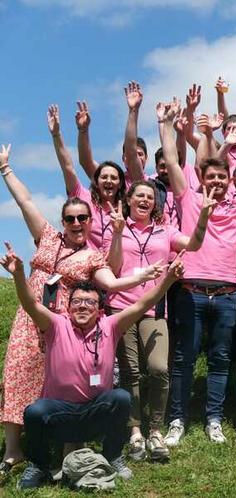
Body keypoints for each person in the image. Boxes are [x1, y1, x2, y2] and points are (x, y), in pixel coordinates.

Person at [0, 143, 163, 478]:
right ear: (62, 220)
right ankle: (13, 450)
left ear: (90, 222)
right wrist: (6, 169)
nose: (76, 223)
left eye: (82, 218)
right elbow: (25, 201)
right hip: (32, 316)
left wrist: (143, 276)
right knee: (18, 375)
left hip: (65, 326)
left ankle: (65, 450)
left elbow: (112, 284)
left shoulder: (93, 256)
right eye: (71, 218)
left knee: (59, 382)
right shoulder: (46, 238)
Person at [1, 244, 184, 489]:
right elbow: (31, 305)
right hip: (60, 415)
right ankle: (39, 466)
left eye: (89, 302)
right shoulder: (55, 325)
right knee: (34, 411)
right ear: (69, 307)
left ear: (99, 310)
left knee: (120, 398)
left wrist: (168, 280)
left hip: (94, 414)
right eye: (77, 302)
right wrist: (18, 275)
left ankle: (113, 456)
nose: (83, 306)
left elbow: (142, 304)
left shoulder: (110, 326)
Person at [157, 99, 236, 446]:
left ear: (229, 180)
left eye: (222, 177)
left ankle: (213, 418)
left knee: (221, 358)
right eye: (210, 175)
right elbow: (170, 159)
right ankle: (177, 419)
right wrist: (165, 124)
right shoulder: (188, 197)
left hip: (228, 293)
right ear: (201, 176)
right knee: (183, 357)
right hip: (191, 290)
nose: (216, 181)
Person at [103, 179, 214, 462]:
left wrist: (202, 217)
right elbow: (113, 269)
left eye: (149, 197)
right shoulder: (115, 227)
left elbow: (195, 244)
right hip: (120, 309)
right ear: (128, 199)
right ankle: (135, 431)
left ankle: (155, 429)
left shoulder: (165, 231)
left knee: (158, 368)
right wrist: (117, 234)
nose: (144, 200)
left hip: (155, 308)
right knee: (129, 373)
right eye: (139, 195)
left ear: (155, 203)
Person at [48, 105, 127, 250]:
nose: (109, 181)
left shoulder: (127, 207)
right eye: (104, 177)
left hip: (121, 269)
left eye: (113, 178)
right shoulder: (84, 197)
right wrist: (56, 135)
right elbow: (67, 167)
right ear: (96, 181)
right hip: (87, 267)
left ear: (121, 183)